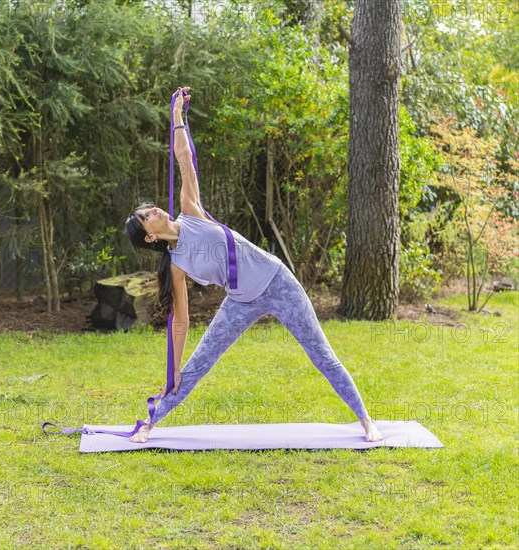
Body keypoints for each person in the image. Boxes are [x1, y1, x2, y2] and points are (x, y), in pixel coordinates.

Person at [125, 87, 383, 443]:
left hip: (278, 281)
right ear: (149, 238)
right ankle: (151, 424)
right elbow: (181, 320)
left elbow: (184, 159)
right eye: (146, 217)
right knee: (193, 369)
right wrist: (175, 366)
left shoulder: (190, 209)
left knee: (322, 355)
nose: (153, 210)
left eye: (150, 207)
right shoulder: (176, 266)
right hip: (240, 300)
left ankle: (366, 420)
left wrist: (177, 115)